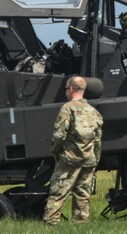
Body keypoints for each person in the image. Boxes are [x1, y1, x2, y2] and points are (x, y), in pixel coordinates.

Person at [43, 75, 104, 225]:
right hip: (88, 159)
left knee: (58, 193)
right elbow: (97, 140)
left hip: (69, 159)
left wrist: (55, 151)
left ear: (70, 89)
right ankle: (80, 224)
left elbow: (59, 135)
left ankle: (50, 224)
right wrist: (95, 159)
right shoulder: (93, 111)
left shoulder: (67, 108)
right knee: (83, 195)